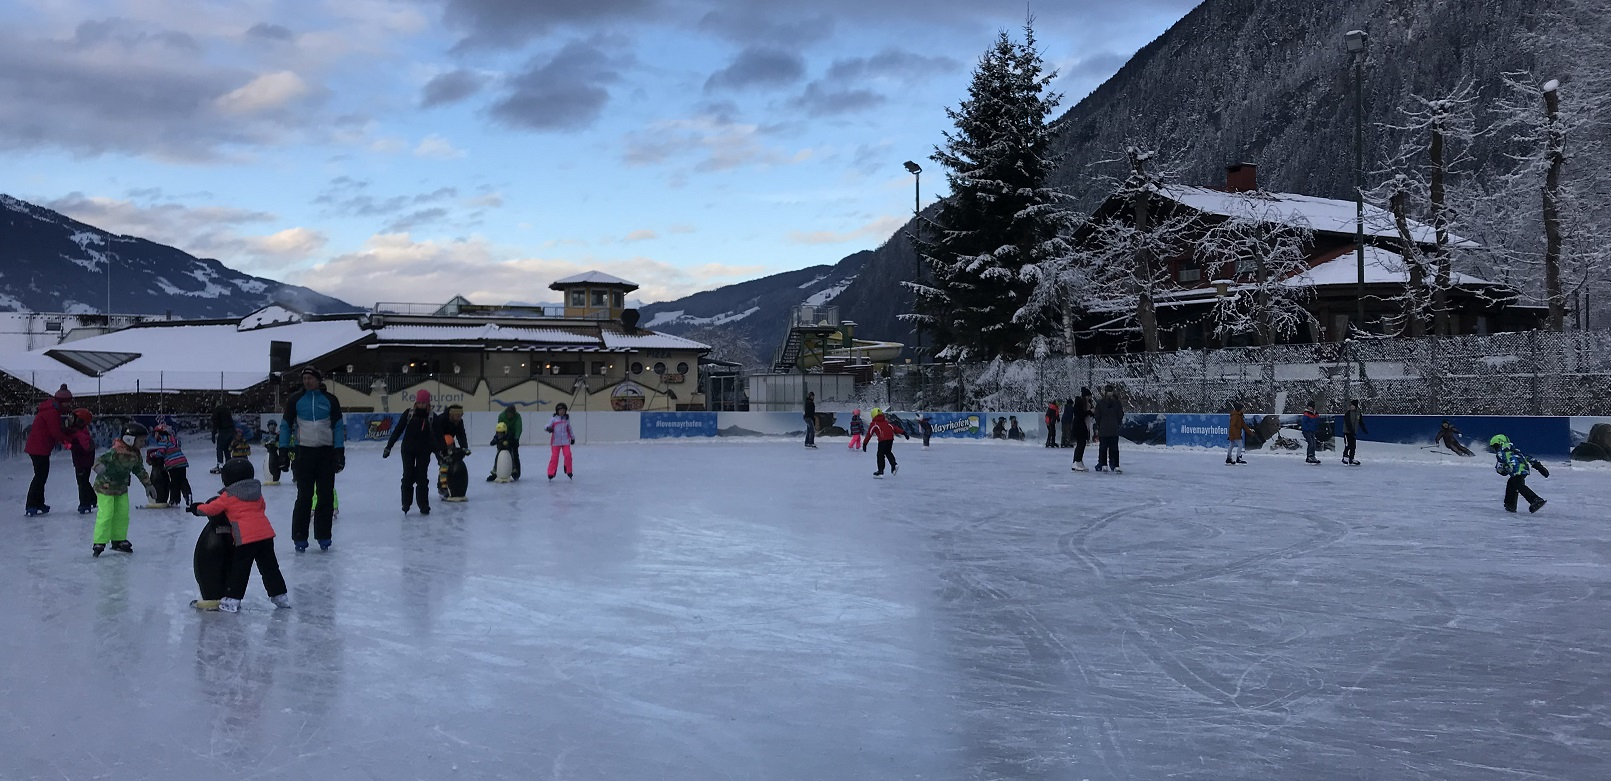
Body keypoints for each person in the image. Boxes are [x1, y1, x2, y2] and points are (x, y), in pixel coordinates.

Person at [190, 458, 290, 612]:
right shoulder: (257, 494)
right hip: (266, 535)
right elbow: (262, 507)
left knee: (240, 569)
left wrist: (196, 508)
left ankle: (232, 599)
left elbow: (211, 509)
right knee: (269, 567)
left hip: (246, 538)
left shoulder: (229, 496)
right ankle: (280, 595)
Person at [279, 366, 345, 552]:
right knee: (304, 497)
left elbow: (338, 426)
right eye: (304, 378)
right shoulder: (296, 400)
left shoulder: (330, 400)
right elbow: (285, 426)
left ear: (318, 379)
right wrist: (283, 450)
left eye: (310, 378)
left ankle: (324, 536)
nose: (307, 381)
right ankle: (299, 537)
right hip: (304, 454)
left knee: (325, 497)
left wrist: (339, 451)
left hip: (326, 454)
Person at [91, 422, 156, 557]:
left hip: (121, 488)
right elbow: (100, 460)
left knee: (122, 514)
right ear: (129, 439)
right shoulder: (115, 451)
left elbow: (139, 470)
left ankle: (118, 540)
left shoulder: (135, 454)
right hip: (105, 487)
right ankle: (100, 541)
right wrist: (99, 467)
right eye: (141, 441)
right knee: (106, 514)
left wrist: (148, 484)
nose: (143, 443)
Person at [24, 384, 75, 516]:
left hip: (40, 447)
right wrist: (69, 442)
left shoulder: (52, 410)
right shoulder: (52, 412)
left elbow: (55, 431)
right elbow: (55, 432)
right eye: (68, 403)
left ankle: (38, 503)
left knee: (41, 476)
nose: (69, 405)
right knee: (40, 476)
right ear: (62, 402)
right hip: (38, 448)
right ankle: (31, 504)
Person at [383, 390, 435, 514]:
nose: (422, 405)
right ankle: (406, 503)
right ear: (416, 403)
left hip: (424, 450)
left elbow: (437, 436)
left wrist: (441, 452)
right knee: (408, 476)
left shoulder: (431, 416)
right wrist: (388, 446)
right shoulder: (409, 414)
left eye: (424, 403)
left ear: (428, 404)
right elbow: (398, 430)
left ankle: (423, 504)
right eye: (420, 402)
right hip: (408, 450)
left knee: (422, 478)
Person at [1489, 434, 1547, 513]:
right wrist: (1539, 466)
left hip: (1515, 470)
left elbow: (1501, 464)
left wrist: (1501, 470)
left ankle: (1534, 499)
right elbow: (1527, 457)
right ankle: (1510, 504)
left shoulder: (1501, 452)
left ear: (1499, 443)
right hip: (1524, 469)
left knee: (1518, 485)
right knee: (1512, 483)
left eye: (1495, 446)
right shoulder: (1515, 450)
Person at [150, 422, 193, 507]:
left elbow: (161, 452)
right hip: (182, 462)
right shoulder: (173, 440)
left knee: (174, 482)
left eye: (155, 433)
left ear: (159, 433)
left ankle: (174, 500)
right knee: (183, 480)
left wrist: (153, 454)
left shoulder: (163, 440)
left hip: (173, 465)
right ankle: (188, 494)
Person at [433, 404, 471, 499]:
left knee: (453, 461)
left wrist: (464, 448)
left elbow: (461, 435)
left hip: (450, 442)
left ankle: (451, 484)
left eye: (461, 416)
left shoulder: (459, 422)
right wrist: (441, 450)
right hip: (437, 442)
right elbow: (434, 435)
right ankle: (442, 486)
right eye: (457, 416)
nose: (459, 418)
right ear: (451, 414)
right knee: (444, 464)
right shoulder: (441, 420)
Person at [862, 407, 907, 477]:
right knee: (888, 452)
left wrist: (865, 443)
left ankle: (880, 471)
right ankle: (894, 464)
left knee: (880, 455)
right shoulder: (886, 422)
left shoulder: (874, 423)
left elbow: (869, 434)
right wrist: (904, 433)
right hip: (890, 439)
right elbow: (894, 428)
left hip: (883, 440)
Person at [68, 409, 97, 514]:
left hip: (83, 463)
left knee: (82, 483)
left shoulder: (80, 434)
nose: (71, 420)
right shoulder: (78, 432)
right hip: (82, 462)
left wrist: (71, 445)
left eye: (73, 419)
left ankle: (85, 504)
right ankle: (92, 499)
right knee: (83, 481)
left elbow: (84, 448)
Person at [1094, 385, 1124, 473]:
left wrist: (1100, 425)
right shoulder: (1117, 403)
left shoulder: (1100, 403)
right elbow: (1120, 415)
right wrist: (1116, 423)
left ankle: (1103, 464)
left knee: (1103, 447)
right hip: (1114, 429)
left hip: (1103, 429)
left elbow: (1097, 416)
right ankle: (1116, 465)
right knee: (1114, 448)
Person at [545, 403, 576, 480]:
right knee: (554, 458)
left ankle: (569, 470)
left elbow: (569, 429)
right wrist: (548, 428)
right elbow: (546, 426)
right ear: (557, 411)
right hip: (556, 442)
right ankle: (551, 472)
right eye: (560, 410)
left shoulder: (566, 420)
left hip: (565, 441)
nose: (561, 412)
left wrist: (572, 438)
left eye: (563, 410)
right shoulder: (553, 419)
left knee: (568, 455)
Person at [494, 406, 523, 480]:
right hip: (504, 435)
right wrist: (498, 439)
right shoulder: (501, 416)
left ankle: (516, 472)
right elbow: (499, 428)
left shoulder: (517, 416)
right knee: (499, 453)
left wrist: (516, 439)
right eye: (508, 414)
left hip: (513, 436)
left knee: (515, 454)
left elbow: (518, 427)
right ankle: (496, 471)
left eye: (511, 414)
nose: (510, 416)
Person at [1071, 388, 1093, 471]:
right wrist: (1090, 412)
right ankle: (1076, 461)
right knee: (1080, 444)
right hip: (1079, 427)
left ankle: (1078, 461)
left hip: (1083, 427)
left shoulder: (1087, 404)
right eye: (1089, 396)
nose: (1090, 398)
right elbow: (1080, 415)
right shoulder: (1079, 403)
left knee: (1082, 444)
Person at [210, 400, 233, 474]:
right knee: (227, 448)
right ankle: (229, 464)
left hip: (223, 430)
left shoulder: (217, 411)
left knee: (220, 448)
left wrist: (213, 434)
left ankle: (220, 465)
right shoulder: (226, 409)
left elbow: (215, 424)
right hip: (231, 430)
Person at [1341, 400, 1366, 465]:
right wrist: (1351, 430)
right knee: (1347, 445)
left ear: (1355, 406)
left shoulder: (1358, 413)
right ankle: (1345, 457)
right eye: (1350, 405)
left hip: (1353, 432)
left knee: (1353, 446)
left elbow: (1360, 422)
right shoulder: (1347, 413)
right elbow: (1348, 423)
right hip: (1347, 432)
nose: (1350, 406)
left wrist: (1364, 428)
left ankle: (1351, 458)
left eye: (1352, 405)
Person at [262, 419, 284, 485]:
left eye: (274, 425)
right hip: (270, 453)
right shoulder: (265, 435)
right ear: (268, 426)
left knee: (276, 468)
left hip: (276, 454)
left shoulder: (278, 435)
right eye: (271, 425)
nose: (273, 427)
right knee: (270, 465)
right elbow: (263, 443)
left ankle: (275, 478)